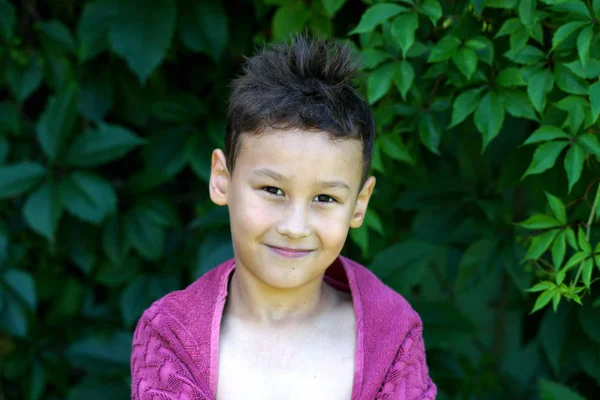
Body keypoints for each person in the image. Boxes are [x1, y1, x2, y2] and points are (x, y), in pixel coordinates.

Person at [130, 34, 436, 400]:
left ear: (359, 203)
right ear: (221, 179)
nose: (294, 227)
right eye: (273, 191)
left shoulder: (394, 339)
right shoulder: (170, 336)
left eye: (325, 198)